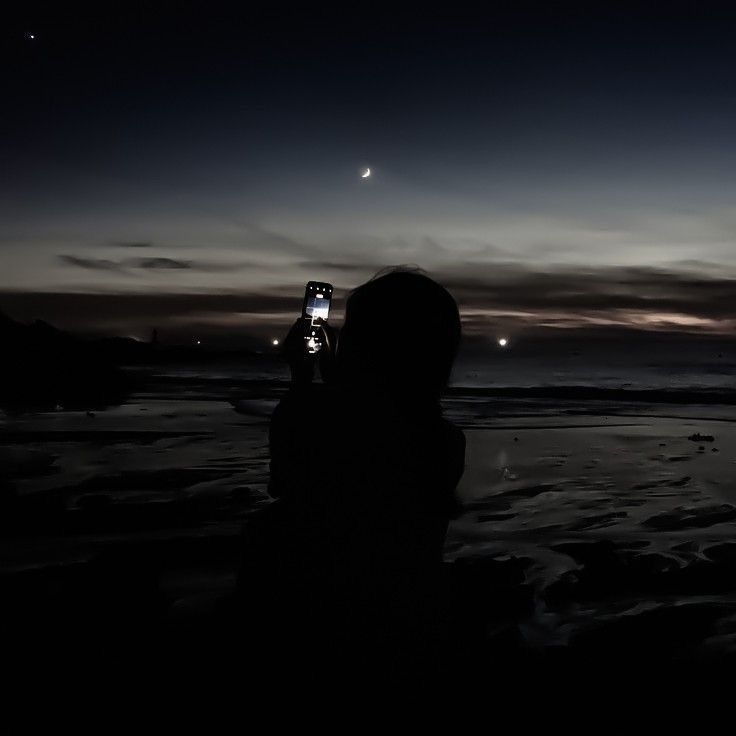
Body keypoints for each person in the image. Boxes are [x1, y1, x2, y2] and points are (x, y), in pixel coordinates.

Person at [238, 268, 465, 674]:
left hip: (315, 615)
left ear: (363, 346)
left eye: (350, 330)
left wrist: (303, 379)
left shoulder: (314, 417)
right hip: (406, 616)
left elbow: (290, 484)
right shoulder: (445, 439)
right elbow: (384, 415)